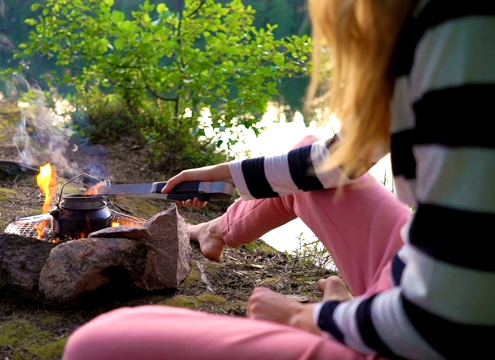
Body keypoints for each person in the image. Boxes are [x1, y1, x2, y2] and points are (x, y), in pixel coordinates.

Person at [63, 0, 495, 359]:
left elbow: (443, 320)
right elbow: (337, 160)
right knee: (306, 151)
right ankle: (216, 230)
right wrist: (224, 174)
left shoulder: (464, 34)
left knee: (95, 344)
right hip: (414, 274)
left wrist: (305, 318)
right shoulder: (427, 25)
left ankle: (348, 320)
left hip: (422, 337)